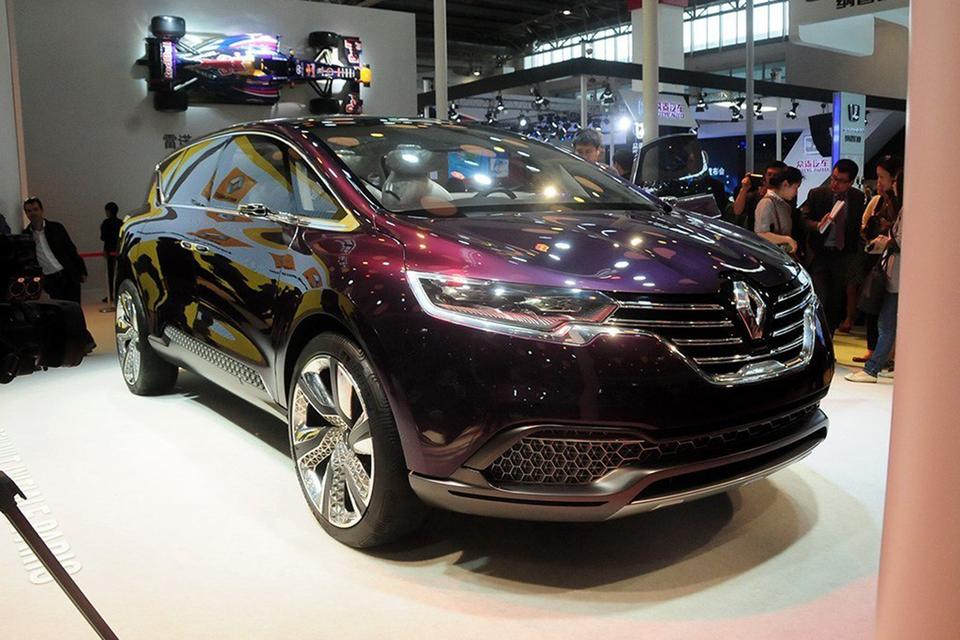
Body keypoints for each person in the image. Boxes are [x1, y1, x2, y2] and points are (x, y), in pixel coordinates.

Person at [846, 166, 903, 383]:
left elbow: (901, 241)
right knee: (888, 322)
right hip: (893, 271)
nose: (891, 184)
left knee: (886, 323)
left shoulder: (905, 209)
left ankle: (872, 369)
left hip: (896, 273)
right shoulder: (894, 205)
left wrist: (886, 240)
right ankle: (886, 364)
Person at [799, 159, 866, 332]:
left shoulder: (857, 197)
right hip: (820, 253)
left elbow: (855, 226)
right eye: (833, 178)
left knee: (836, 302)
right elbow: (803, 219)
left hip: (843, 255)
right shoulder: (817, 194)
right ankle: (816, 335)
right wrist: (817, 225)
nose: (835, 184)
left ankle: (829, 336)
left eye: (841, 181)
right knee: (820, 298)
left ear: (851, 182)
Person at [23, 196, 87, 303]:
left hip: (68, 274)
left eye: (35, 209)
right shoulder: (26, 236)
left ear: (42, 210)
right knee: (59, 310)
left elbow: (70, 249)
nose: (33, 213)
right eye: (29, 211)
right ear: (26, 214)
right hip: (50, 280)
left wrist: (82, 270)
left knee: (75, 308)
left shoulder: (56, 227)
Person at [726, 160, 788, 231]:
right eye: (769, 174)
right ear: (765, 175)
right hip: (754, 234)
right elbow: (737, 211)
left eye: (776, 175)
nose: (772, 178)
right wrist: (744, 189)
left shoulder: (787, 193)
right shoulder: (755, 195)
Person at [754, 166, 802, 256]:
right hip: (771, 256)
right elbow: (761, 233)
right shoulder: (767, 203)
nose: (796, 192)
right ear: (785, 184)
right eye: (796, 187)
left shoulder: (783, 204)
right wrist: (787, 239)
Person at [100, 201, 123, 303]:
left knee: (110, 274)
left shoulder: (106, 223)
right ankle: (118, 294)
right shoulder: (121, 223)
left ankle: (110, 295)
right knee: (119, 273)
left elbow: (103, 237)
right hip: (119, 250)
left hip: (109, 251)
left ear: (108, 211)